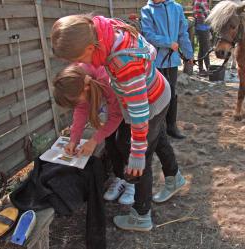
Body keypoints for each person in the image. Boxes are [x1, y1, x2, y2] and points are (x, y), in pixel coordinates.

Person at [51, 14, 186, 232]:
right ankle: (174, 178)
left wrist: (136, 155)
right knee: (156, 139)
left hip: (151, 103)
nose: (80, 63)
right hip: (156, 92)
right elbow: (84, 106)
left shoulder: (123, 65)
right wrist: (75, 137)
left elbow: (140, 113)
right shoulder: (99, 30)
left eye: (79, 58)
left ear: (88, 48)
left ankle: (142, 216)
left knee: (140, 156)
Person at [53, 63, 135, 205]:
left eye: (77, 100)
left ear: (85, 89)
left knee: (125, 144)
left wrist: (94, 140)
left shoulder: (106, 80)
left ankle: (133, 183)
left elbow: (117, 116)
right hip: (113, 109)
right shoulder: (77, 83)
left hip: (131, 107)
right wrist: (74, 140)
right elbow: (81, 110)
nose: (78, 104)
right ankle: (120, 177)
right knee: (110, 143)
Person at [141, 0, 194, 139]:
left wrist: (188, 54)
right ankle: (159, 128)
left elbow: (183, 33)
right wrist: (168, 43)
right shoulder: (147, 10)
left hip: (172, 61)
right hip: (156, 61)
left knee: (172, 92)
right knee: (156, 95)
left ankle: (171, 126)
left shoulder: (177, 8)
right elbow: (148, 35)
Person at [193, 0, 211, 76]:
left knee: (202, 48)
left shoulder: (202, 1)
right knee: (205, 48)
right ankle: (208, 68)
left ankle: (202, 68)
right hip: (202, 27)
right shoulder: (199, 2)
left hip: (204, 27)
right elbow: (204, 15)